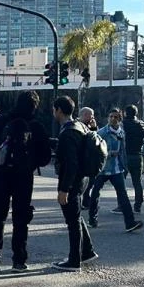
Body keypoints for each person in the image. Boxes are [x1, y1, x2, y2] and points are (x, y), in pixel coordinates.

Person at [0, 91, 50, 272]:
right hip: (24, 177)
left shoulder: (3, 120)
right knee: (21, 218)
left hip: (1, 173)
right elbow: (45, 158)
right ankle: (19, 259)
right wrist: (30, 161)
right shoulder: (36, 125)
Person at [52, 95, 97, 272]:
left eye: (54, 109)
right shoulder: (80, 126)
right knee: (76, 217)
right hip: (83, 179)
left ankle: (73, 260)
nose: (53, 112)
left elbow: (71, 163)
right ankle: (87, 251)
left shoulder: (68, 132)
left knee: (72, 221)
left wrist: (64, 189)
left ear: (59, 110)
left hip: (72, 181)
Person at [82, 109, 144, 233]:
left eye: (116, 117)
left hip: (116, 169)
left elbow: (122, 150)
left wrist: (124, 164)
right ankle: (92, 220)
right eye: (111, 116)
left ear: (119, 119)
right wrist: (108, 154)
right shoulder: (103, 132)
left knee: (123, 196)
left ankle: (130, 223)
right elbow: (95, 147)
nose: (113, 119)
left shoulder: (121, 132)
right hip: (103, 169)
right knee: (95, 194)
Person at [121, 105, 144, 214]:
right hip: (137, 155)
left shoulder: (123, 124)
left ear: (125, 113)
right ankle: (138, 205)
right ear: (136, 113)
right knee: (137, 182)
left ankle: (121, 204)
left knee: (121, 182)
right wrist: (143, 141)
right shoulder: (141, 124)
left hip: (125, 155)